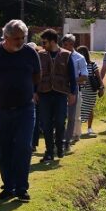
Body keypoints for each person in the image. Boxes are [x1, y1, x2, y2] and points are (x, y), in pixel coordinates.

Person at [0, 19, 41, 202]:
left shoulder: (29, 53)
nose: (20, 42)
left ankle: (22, 188)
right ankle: (8, 186)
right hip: (0, 109)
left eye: (22, 38)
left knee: (23, 146)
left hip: (25, 109)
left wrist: (32, 91)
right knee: (3, 149)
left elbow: (37, 75)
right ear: (5, 37)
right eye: (16, 39)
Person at [36, 29, 77, 163]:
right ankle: (49, 152)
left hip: (60, 94)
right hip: (44, 94)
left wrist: (72, 93)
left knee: (60, 122)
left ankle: (59, 146)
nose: (42, 44)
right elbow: (35, 76)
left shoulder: (66, 55)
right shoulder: (40, 55)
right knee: (46, 124)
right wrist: (34, 92)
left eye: (45, 42)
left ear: (53, 41)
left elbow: (72, 76)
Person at [61, 34, 88, 151]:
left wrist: (71, 80)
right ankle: (59, 139)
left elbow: (84, 76)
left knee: (72, 116)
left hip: (73, 89)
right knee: (59, 116)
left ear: (74, 45)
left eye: (71, 44)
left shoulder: (79, 58)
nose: (68, 47)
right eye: (65, 44)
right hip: (59, 89)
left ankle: (67, 140)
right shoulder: (58, 56)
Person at [78, 46, 103, 136]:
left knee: (90, 108)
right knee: (80, 108)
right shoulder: (77, 65)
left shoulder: (92, 65)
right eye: (79, 52)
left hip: (91, 90)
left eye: (83, 52)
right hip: (81, 89)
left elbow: (98, 76)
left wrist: (101, 87)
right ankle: (78, 128)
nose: (81, 54)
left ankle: (89, 128)